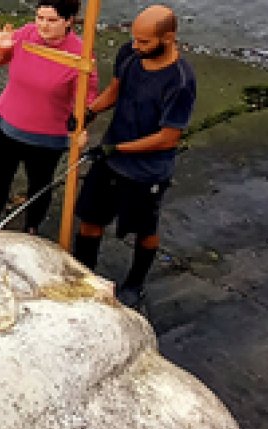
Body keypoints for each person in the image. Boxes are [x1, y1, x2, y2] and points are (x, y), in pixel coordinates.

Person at [70, 4, 197, 307]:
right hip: (111, 158)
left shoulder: (180, 82)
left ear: (168, 38)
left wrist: (118, 148)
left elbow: (168, 138)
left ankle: (135, 283)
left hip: (146, 170)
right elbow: (116, 89)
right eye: (135, 39)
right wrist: (89, 113)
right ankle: (83, 274)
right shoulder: (130, 54)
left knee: (144, 230)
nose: (136, 47)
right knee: (90, 219)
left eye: (144, 42)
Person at [0, 1, 97, 234]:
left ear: (68, 21)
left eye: (51, 20)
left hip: (46, 137)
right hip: (6, 124)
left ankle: (32, 227)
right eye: (40, 17)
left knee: (40, 186)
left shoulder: (80, 54)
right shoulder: (25, 34)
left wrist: (81, 126)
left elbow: (86, 98)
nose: (43, 25)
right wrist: (0, 47)